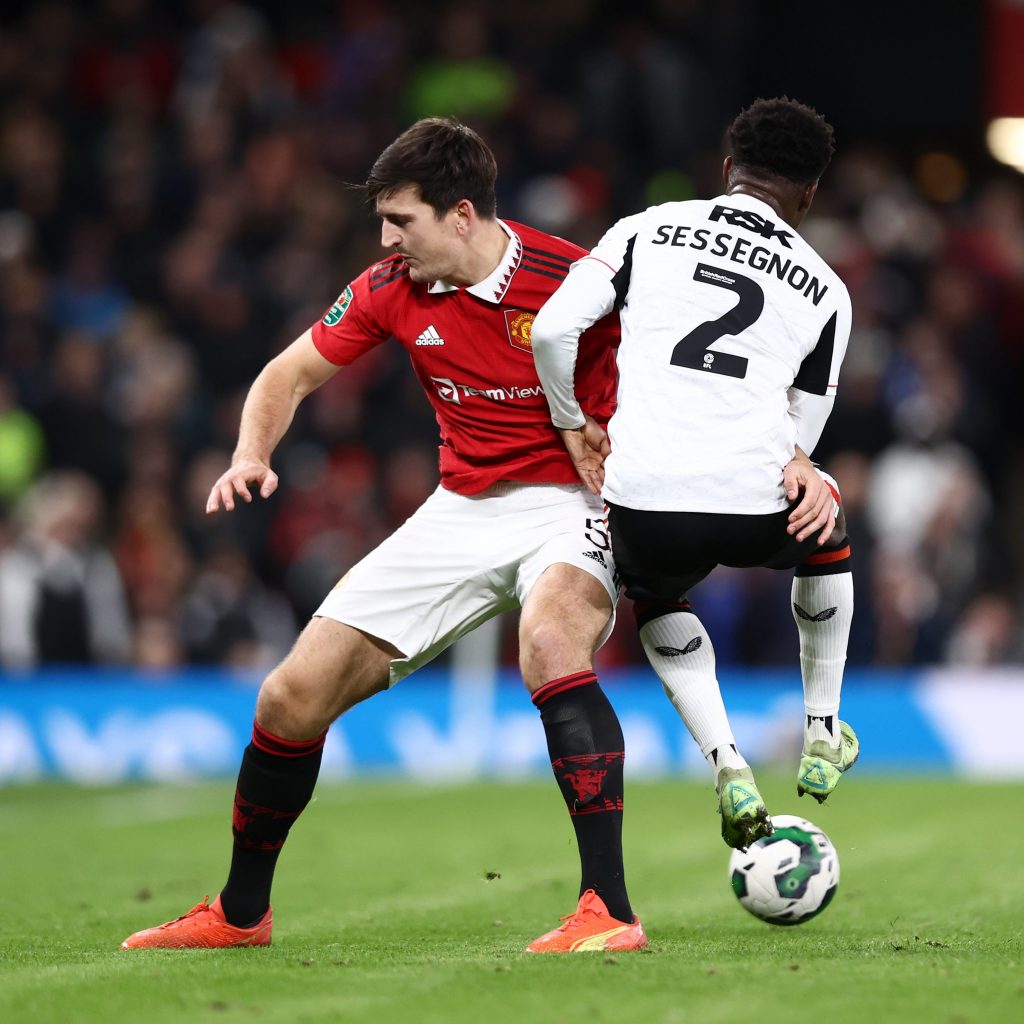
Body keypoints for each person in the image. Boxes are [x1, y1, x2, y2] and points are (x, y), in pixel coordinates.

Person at [121, 117, 652, 954]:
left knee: (551, 643)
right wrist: (251, 453)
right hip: (460, 508)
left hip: (571, 502)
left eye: (401, 220)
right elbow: (288, 374)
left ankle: (609, 910)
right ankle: (240, 913)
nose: (386, 240)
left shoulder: (574, 279)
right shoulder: (390, 286)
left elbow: (673, 376)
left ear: (462, 215)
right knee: (289, 697)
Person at [532, 97, 859, 848]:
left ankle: (726, 762)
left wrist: (571, 420)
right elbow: (802, 435)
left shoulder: (645, 229)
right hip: (756, 497)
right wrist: (808, 472)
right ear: (810, 193)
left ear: (727, 168)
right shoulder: (826, 288)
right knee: (826, 521)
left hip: (644, 496)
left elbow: (551, 329)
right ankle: (821, 727)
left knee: (655, 591)